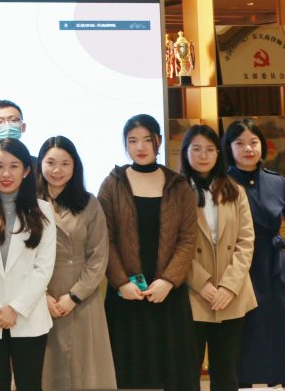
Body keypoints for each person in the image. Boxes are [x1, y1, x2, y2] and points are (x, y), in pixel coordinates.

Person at [98, 114, 198, 389]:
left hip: (168, 294)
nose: (140, 147)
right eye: (132, 141)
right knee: (127, 373)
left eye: (146, 139)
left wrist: (168, 281)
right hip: (126, 296)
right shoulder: (112, 184)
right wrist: (122, 283)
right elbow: (105, 239)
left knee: (172, 373)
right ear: (125, 145)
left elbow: (188, 239)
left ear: (159, 141)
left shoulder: (178, 185)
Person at [0, 138, 55, 391]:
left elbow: (43, 267)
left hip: (29, 315)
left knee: (29, 384)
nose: (6, 174)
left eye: (14, 166)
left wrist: (15, 308)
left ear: (26, 171)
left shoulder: (43, 211)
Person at [179, 124, 256, 391]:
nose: (203, 155)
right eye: (196, 149)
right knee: (186, 373)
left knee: (226, 373)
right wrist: (201, 283)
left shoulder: (235, 190)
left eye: (210, 149)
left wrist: (228, 286)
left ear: (218, 153)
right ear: (185, 152)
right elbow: (173, 246)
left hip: (230, 296)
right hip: (191, 293)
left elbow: (246, 242)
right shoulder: (176, 191)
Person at [36, 136, 115, 391]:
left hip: (82, 295)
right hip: (40, 293)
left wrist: (74, 296)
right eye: (50, 162)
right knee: (46, 365)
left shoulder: (89, 202)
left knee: (84, 366)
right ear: (40, 164)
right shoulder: (28, 201)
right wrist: (41, 295)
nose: (57, 170)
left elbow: (99, 255)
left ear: (75, 166)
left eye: (65, 163)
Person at [222, 118, 285, 387]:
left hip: (275, 261)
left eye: (253, 142)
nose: (248, 149)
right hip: (238, 262)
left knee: (278, 321)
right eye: (239, 143)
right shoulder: (222, 182)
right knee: (244, 328)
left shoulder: (277, 181)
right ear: (228, 147)